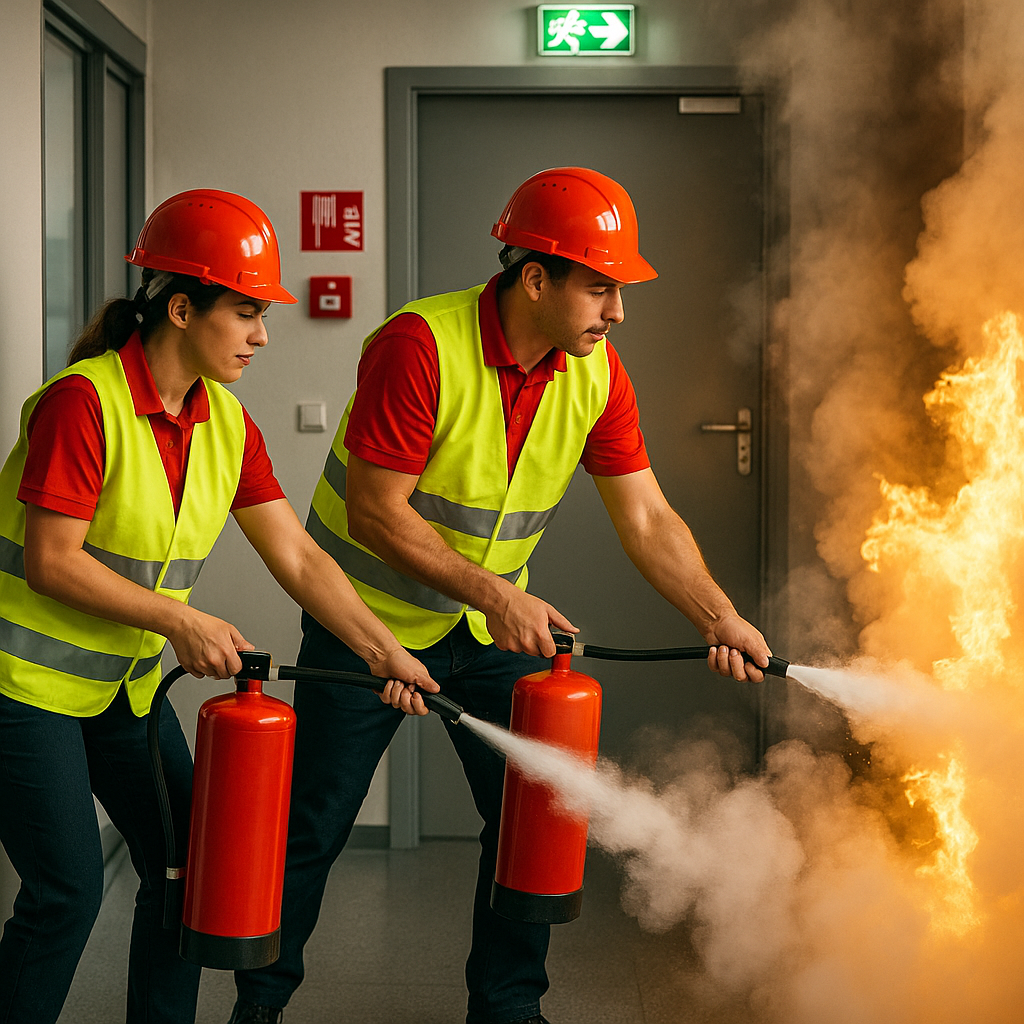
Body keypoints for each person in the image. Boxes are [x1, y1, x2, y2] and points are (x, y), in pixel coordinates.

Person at [228, 167, 773, 1024]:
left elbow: (648, 518)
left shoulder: (595, 372)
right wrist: (495, 595)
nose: (617, 311)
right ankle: (257, 1012)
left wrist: (719, 616)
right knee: (312, 831)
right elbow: (375, 512)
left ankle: (508, 1010)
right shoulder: (419, 346)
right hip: (360, 625)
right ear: (534, 278)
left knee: (531, 823)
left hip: (487, 632)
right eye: (600, 288)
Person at [0, 189, 438, 1024]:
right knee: (66, 891)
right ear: (180, 306)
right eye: (245, 312)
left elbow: (300, 556)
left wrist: (382, 650)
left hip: (119, 689)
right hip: (20, 689)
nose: (263, 335)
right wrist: (180, 620)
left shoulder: (226, 423)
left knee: (184, 865)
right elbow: (54, 564)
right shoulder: (82, 403)